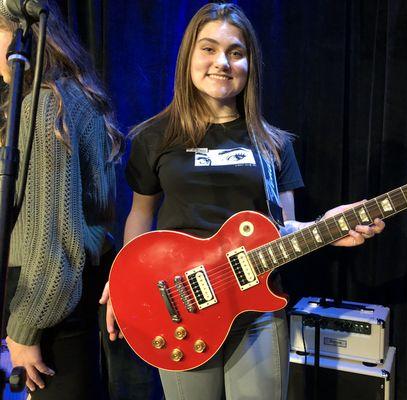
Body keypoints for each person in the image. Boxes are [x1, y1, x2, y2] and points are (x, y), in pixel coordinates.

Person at [100, 3, 384, 400]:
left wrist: (328, 229)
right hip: (180, 309)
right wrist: (126, 283)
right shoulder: (154, 137)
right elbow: (140, 216)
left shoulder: (274, 143)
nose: (222, 62)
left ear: (250, 65)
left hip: (258, 312)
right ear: (188, 58)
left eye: (236, 52)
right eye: (209, 49)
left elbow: (284, 229)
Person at [0, 1, 123, 398]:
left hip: (46, 303)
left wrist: (25, 327)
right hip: (67, 296)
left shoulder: (46, 104)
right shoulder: (67, 97)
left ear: (22, 34)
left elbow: (49, 237)